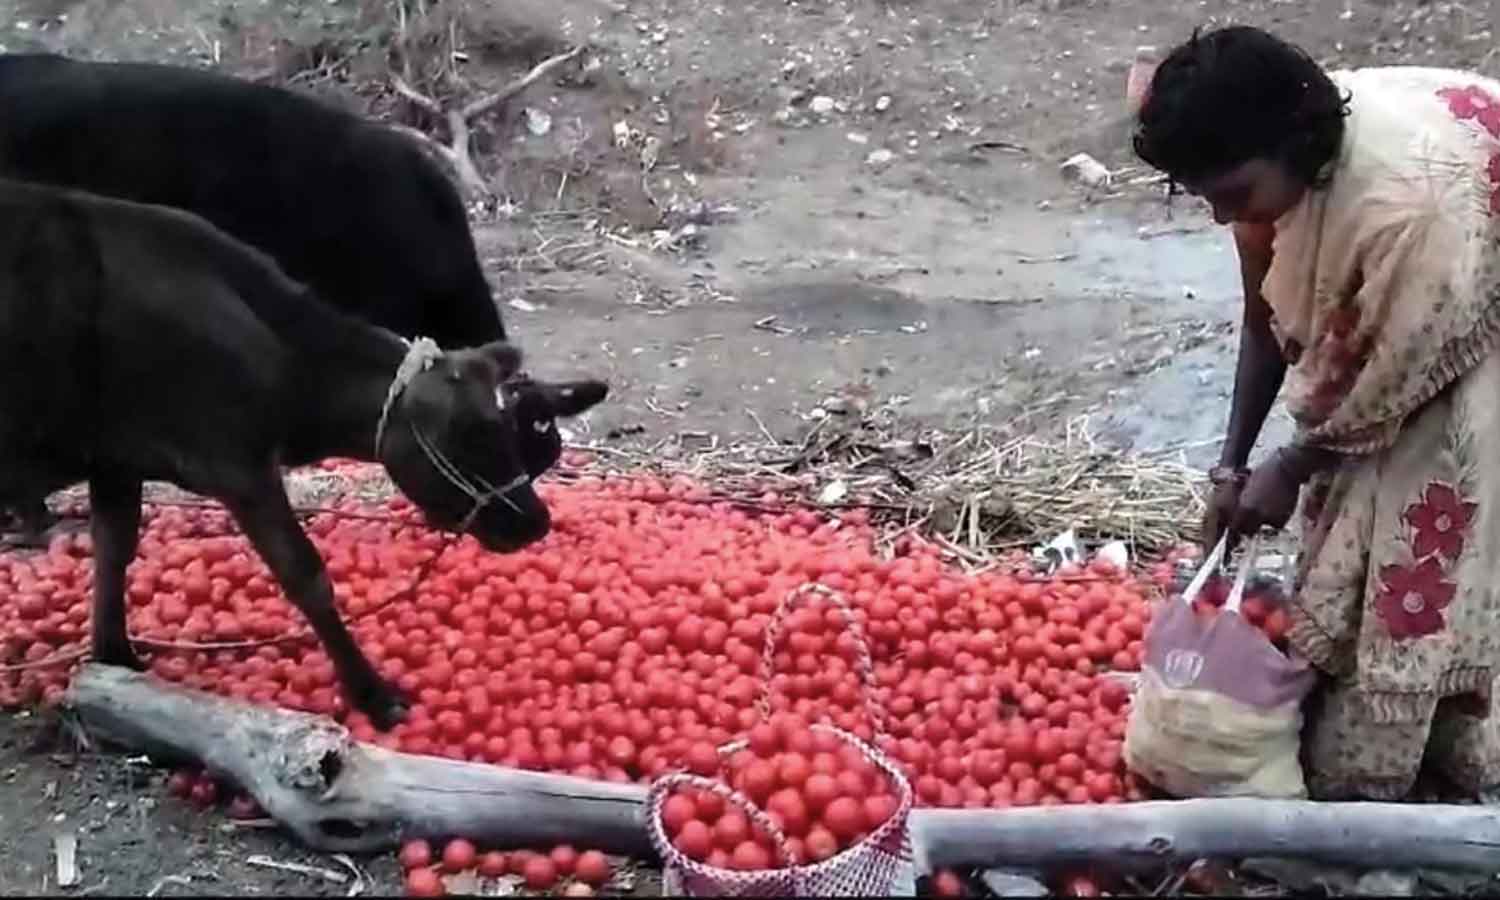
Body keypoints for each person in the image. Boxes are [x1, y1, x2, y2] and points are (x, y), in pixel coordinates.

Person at [1132, 24, 1500, 801]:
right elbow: (1265, 316)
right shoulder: (1268, 158)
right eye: (1204, 197)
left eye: (1230, 196)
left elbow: (1393, 376)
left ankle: (1404, 759)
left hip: (1475, 300)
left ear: (1297, 150)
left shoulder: (1406, 215)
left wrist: (1294, 461)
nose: (1218, 216)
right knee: (1350, 504)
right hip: (1421, 289)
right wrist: (1232, 467)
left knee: (1426, 521)